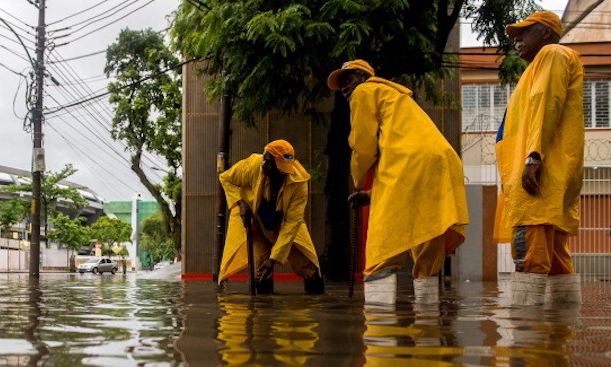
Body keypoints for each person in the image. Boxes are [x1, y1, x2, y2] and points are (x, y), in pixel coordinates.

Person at [327, 59, 468, 305]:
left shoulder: (365, 92)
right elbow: (400, 168)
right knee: (428, 236)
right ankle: (428, 320)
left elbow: (363, 145)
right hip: (442, 162)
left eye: (348, 79)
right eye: (341, 85)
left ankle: (380, 328)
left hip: (411, 164)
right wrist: (371, 194)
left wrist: (359, 182)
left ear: (364, 77)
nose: (345, 88)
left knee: (383, 244)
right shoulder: (396, 98)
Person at [495, 11, 584, 306]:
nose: (517, 39)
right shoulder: (540, 65)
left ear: (546, 32)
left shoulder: (552, 53)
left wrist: (533, 157)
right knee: (555, 257)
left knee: (530, 253)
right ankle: (560, 332)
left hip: (537, 174)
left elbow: (546, 102)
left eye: (524, 32)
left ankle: (528, 338)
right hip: (546, 173)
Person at [217, 139, 325, 294]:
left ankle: (314, 306)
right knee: (261, 270)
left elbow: (291, 225)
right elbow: (226, 178)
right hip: (257, 223)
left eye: (268, 162)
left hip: (285, 227)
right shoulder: (253, 165)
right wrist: (241, 203)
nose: (263, 164)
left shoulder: (299, 184)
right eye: (264, 158)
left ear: (280, 168)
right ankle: (264, 314)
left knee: (308, 268)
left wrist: (274, 259)